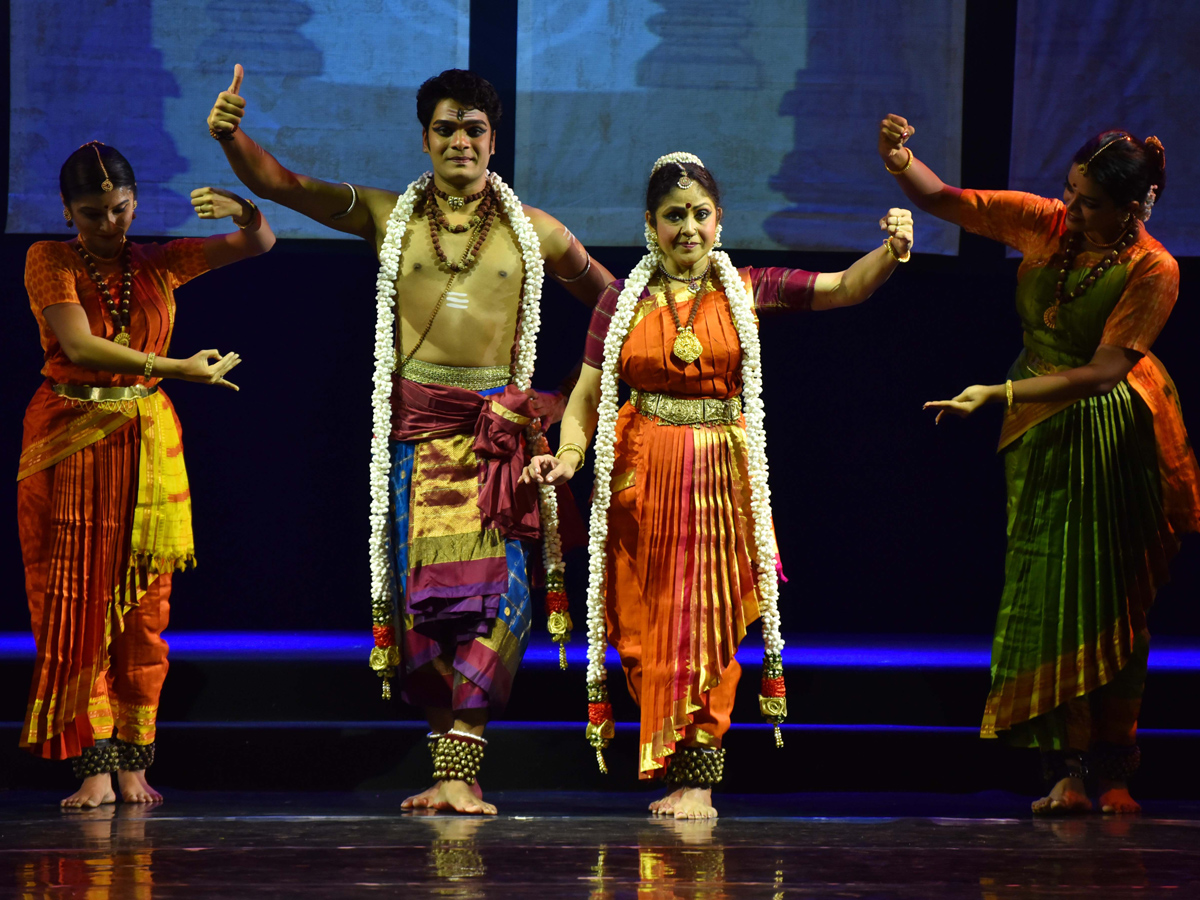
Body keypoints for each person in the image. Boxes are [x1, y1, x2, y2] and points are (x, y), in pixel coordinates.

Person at [207, 66, 612, 815]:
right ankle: (450, 771)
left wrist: (578, 397)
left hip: (498, 439)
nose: (461, 140)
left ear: (495, 139)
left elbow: (614, 304)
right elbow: (285, 184)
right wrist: (233, 137)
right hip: (417, 436)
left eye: (475, 129)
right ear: (425, 139)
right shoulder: (390, 216)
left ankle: (465, 757)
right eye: (446, 128)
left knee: (505, 601)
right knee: (423, 608)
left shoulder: (537, 230)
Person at [522, 152, 913, 818]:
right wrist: (567, 457)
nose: (688, 228)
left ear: (719, 220)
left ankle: (699, 774)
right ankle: (670, 757)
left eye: (700, 214)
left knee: (707, 622)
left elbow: (842, 288)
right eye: (674, 216)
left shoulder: (746, 287)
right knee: (644, 628)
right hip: (640, 481)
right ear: (650, 223)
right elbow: (586, 395)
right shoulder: (621, 301)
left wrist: (893, 250)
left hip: (716, 484)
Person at [879, 115, 1200, 815]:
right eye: (1070, 192)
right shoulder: (1050, 227)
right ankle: (1067, 769)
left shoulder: (1153, 269)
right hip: (1040, 431)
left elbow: (1105, 371)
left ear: (1135, 207)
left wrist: (1000, 392)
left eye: (1089, 202)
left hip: (1117, 435)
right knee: (1053, 593)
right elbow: (950, 201)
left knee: (1112, 602)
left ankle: (1115, 767)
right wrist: (902, 160)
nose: (1071, 209)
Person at [19, 141, 275, 808]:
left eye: (120, 208)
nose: (110, 224)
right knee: (74, 602)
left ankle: (133, 763)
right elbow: (76, 344)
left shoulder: (156, 263)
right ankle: (91, 768)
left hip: (144, 442)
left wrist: (245, 210)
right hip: (69, 443)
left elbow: (258, 245)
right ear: (68, 211)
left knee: (144, 609)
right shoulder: (48, 260)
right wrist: (174, 368)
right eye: (92, 213)